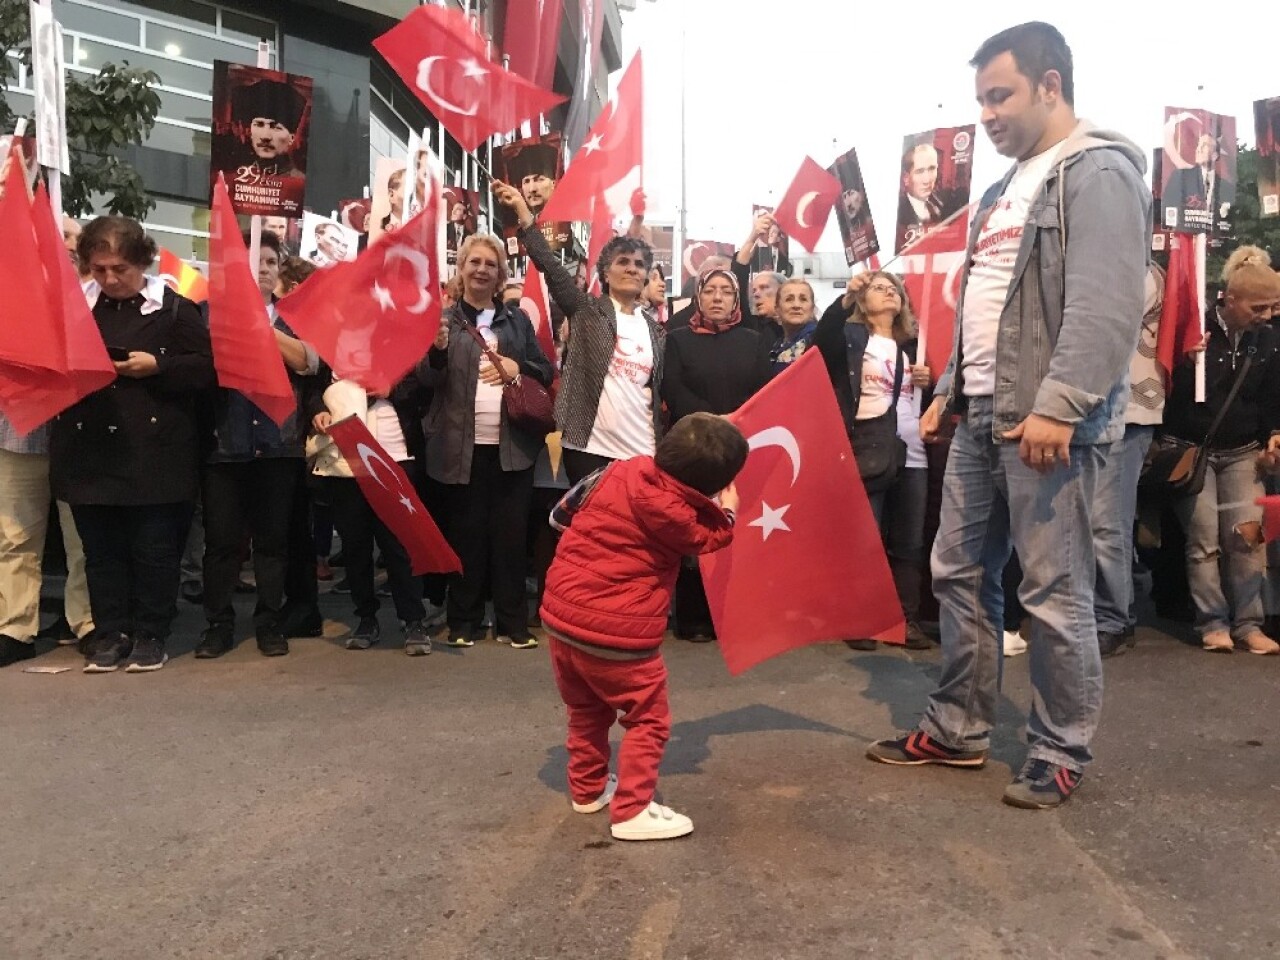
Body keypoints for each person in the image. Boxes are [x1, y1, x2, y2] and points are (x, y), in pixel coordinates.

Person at [865, 22, 1151, 810]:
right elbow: (983, 308)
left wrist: (1061, 405)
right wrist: (951, 393)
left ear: (1051, 85)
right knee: (956, 572)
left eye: (1001, 95)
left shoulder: (1096, 172)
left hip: (1045, 421)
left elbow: (1107, 302)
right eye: (980, 99)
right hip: (982, 414)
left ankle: (1060, 750)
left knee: (1054, 593)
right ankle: (958, 730)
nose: (985, 115)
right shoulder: (1000, 190)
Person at [540, 412, 747, 841]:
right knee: (647, 718)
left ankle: (588, 788)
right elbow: (711, 539)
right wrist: (728, 513)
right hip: (619, 635)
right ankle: (632, 810)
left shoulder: (619, 469)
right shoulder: (680, 516)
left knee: (586, 709)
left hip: (562, 618)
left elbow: (560, 515)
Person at [52, 216, 216, 673]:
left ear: (142, 261)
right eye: (100, 268)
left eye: (120, 269)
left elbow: (206, 369)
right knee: (100, 551)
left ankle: (151, 631)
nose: (110, 279)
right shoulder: (75, 307)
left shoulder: (175, 308)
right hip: (89, 448)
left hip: (156, 450)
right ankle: (110, 631)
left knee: (154, 549)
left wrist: (158, 366)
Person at [415, 234, 554, 649]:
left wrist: (517, 365)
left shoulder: (517, 322)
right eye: (474, 262)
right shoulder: (442, 321)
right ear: (462, 269)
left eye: (489, 265)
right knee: (467, 535)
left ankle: (513, 623)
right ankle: (464, 620)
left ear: (500, 275)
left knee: (510, 539)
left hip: (512, 448)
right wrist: (437, 353)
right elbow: (425, 380)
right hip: (459, 449)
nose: (481, 270)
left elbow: (544, 371)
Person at [194, 230, 320, 660]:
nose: (261, 270)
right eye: (253, 263)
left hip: (277, 445)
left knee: (272, 543)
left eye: (269, 263)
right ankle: (218, 624)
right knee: (222, 543)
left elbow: (308, 362)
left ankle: (268, 621)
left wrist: (260, 328)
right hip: (224, 445)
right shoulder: (206, 314)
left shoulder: (294, 318)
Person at [495, 179, 665, 484]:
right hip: (589, 450)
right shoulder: (587, 311)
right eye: (623, 261)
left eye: (639, 264)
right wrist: (523, 211)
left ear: (645, 276)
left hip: (643, 452)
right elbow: (550, 265)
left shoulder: (658, 333)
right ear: (606, 273)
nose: (632, 268)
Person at [1157, 254, 1280, 654]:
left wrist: (1274, 435)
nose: (1265, 316)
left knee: (1248, 539)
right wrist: (1185, 360)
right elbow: (1168, 395)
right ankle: (1212, 620)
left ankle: (1248, 623)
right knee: (1203, 538)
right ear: (1229, 299)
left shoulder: (1267, 339)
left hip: (1244, 449)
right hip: (1191, 448)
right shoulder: (1195, 326)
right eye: (1257, 307)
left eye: (1272, 308)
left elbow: (1269, 397)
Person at [814, 271, 933, 649]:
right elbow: (822, 341)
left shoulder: (914, 346)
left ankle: (904, 620)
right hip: (866, 446)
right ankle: (859, 619)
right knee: (865, 538)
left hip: (912, 451)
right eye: (879, 288)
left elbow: (926, 404)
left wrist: (930, 384)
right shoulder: (852, 338)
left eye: (894, 289)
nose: (888, 293)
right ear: (864, 301)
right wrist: (846, 297)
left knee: (908, 542)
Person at [661, 267, 772, 641]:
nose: (718, 297)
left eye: (727, 290)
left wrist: (736, 420)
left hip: (740, 447)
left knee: (735, 527)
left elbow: (764, 391)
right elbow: (672, 389)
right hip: (694, 448)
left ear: (736, 298)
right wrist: (712, 420)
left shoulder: (754, 341)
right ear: (698, 296)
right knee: (695, 529)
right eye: (711, 290)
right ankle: (693, 617)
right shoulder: (677, 340)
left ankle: (733, 613)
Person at [307, 376, 436, 655]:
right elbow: (314, 387)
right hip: (345, 459)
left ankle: (413, 619)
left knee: (400, 544)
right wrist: (318, 409)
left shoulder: (398, 342)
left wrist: (392, 388)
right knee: (355, 544)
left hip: (395, 454)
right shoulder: (333, 344)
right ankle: (366, 617)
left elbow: (426, 385)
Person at [1093, 263, 1165, 657]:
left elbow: (1107, 316)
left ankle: (1113, 619)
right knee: (1094, 521)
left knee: (1107, 523)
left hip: (1131, 408)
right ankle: (1114, 602)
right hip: (1087, 409)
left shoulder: (1142, 269)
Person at [227, 78, 307, 179]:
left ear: (292, 137)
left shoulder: (299, 183)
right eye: (259, 124)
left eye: (276, 127)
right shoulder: (237, 178)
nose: (265, 136)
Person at [1162, 132, 1235, 233]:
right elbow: (1168, 210)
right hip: (1186, 240)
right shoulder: (1180, 177)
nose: (1198, 149)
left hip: (1214, 243)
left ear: (1214, 155)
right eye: (1198, 145)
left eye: (1204, 145)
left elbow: (1228, 223)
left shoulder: (1227, 187)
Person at [896, 143, 960, 250]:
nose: (927, 180)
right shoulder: (899, 213)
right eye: (919, 171)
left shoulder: (942, 205)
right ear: (906, 178)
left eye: (932, 169)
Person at [770, 278, 818, 373]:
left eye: (803, 299)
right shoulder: (776, 346)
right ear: (777, 309)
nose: (796, 305)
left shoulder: (819, 339)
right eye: (789, 299)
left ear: (812, 308)